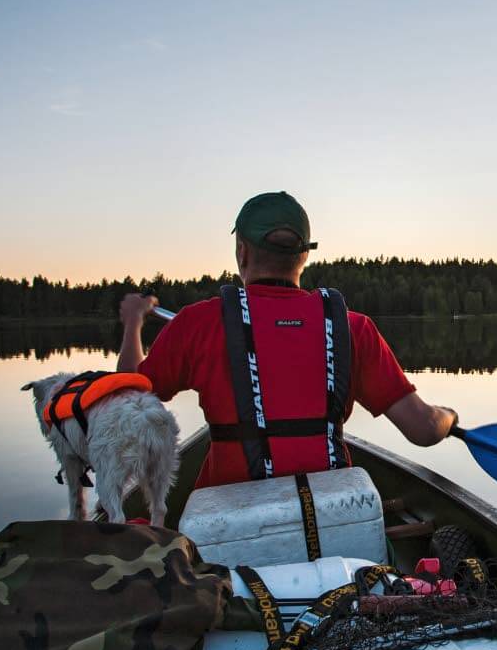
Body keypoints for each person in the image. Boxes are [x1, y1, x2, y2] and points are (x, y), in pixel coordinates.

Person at [117, 191, 457, 488]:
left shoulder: (198, 322)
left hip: (229, 525)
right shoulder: (355, 329)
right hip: (330, 518)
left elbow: (128, 401)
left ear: (242, 252)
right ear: (304, 255)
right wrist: (449, 416)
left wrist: (134, 321)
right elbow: (424, 430)